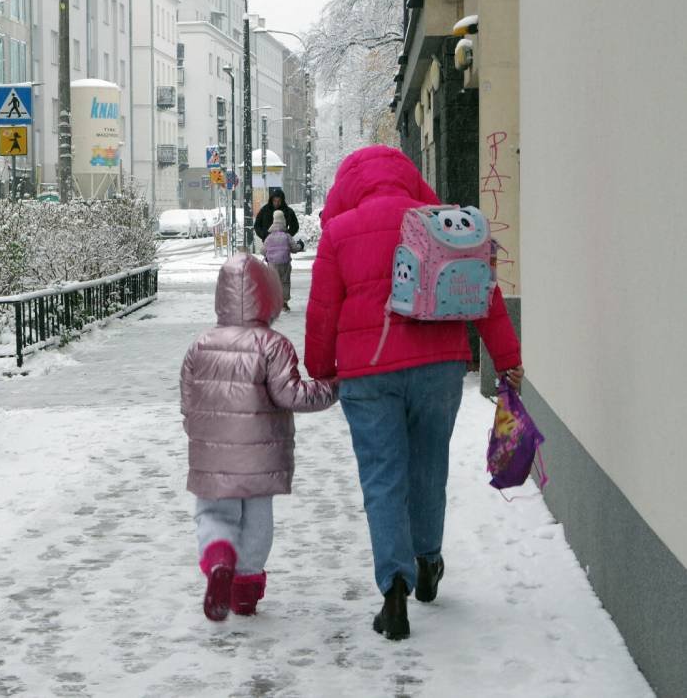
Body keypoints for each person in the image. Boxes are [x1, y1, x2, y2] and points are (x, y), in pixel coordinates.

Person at [304, 145, 523, 641]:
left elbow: (322, 310)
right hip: (439, 367)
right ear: (409, 179)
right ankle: (428, 563)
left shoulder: (339, 232)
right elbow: (483, 293)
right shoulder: (442, 223)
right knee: (428, 466)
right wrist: (507, 359)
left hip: (368, 373)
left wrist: (322, 368)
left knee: (383, 477)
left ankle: (394, 594)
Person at [181, 253, 338, 621]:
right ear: (268, 296)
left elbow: (188, 401)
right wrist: (333, 387)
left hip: (211, 454)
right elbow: (292, 395)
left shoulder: (199, 346)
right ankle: (246, 590)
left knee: (214, 514)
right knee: (257, 521)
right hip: (261, 457)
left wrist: (197, 434)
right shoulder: (274, 345)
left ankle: (219, 558)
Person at [262, 210, 294, 311]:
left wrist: (268, 255)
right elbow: (294, 248)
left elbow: (262, 250)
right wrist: (300, 245)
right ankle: (284, 303)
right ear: (283, 221)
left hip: (272, 264)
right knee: (285, 282)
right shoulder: (287, 236)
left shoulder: (269, 237)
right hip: (285, 263)